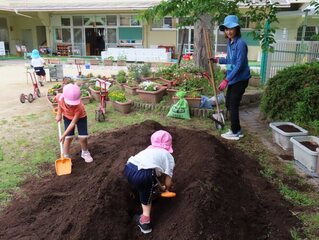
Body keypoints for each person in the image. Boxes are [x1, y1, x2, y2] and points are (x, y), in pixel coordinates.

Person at [124, 130, 175, 234]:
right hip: (144, 175)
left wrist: (161, 187)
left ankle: (139, 195)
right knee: (146, 187)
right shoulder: (168, 156)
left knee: (144, 184)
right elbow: (168, 180)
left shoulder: (147, 151)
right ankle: (145, 223)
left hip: (129, 168)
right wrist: (167, 188)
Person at [210, 15, 251, 140]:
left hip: (240, 79)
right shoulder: (230, 43)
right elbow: (229, 60)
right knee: (228, 103)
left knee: (233, 105)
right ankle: (236, 128)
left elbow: (239, 64)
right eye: (226, 29)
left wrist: (226, 80)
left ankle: (235, 131)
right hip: (233, 78)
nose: (228, 31)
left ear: (237, 29)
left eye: (231, 29)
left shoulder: (241, 44)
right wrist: (217, 60)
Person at [55, 84, 93, 163]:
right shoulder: (60, 97)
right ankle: (65, 157)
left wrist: (63, 135)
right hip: (67, 117)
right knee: (68, 138)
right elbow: (59, 104)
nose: (71, 105)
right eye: (69, 103)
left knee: (83, 137)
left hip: (80, 118)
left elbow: (73, 123)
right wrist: (59, 114)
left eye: (73, 103)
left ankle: (85, 153)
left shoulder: (79, 107)